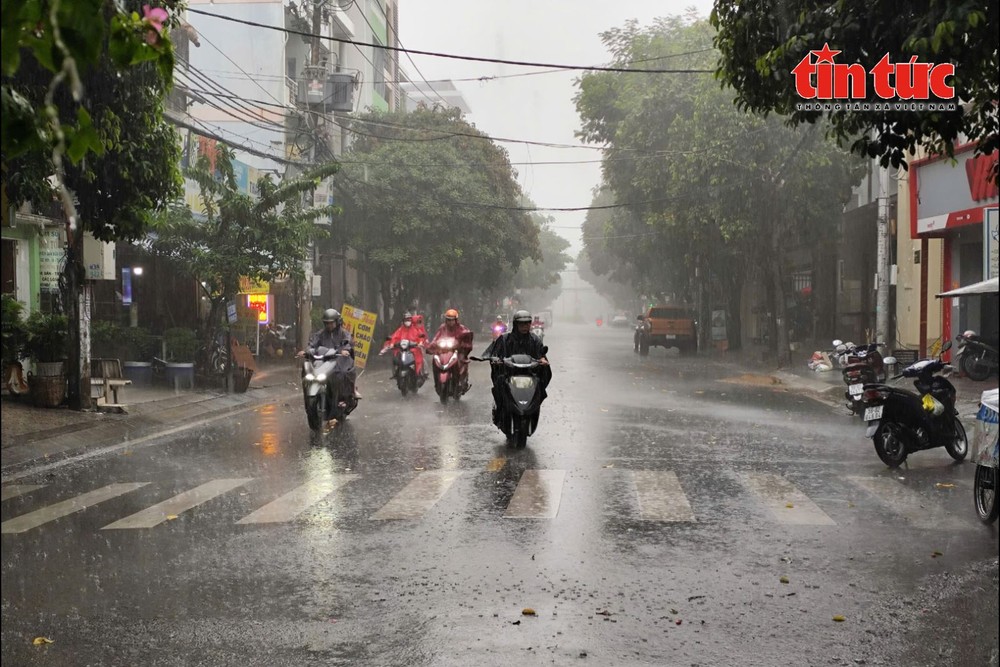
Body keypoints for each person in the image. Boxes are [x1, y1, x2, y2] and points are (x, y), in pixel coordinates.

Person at [483, 310, 551, 428]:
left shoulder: (535, 340)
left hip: (529, 375)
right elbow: (495, 352)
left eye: (527, 323)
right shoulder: (505, 339)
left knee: (541, 382)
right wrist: (497, 359)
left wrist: (542, 360)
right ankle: (500, 411)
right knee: (499, 383)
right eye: (521, 324)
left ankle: (534, 408)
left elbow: (541, 354)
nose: (525, 326)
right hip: (509, 374)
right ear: (516, 324)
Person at [297, 308, 360, 404]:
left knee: (342, 374)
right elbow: (312, 344)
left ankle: (346, 395)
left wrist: (344, 350)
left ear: (337, 322)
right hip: (323, 361)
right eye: (327, 323)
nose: (329, 325)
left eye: (331, 323)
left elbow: (347, 343)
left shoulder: (344, 333)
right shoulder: (320, 334)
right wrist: (306, 351)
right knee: (308, 372)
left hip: (339, 360)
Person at [427, 308, 475, 392]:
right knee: (435, 360)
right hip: (443, 351)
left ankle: (460, 381)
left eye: (452, 320)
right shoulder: (442, 328)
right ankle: (437, 383)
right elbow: (436, 338)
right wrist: (430, 347)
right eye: (448, 320)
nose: (450, 322)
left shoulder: (462, 329)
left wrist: (462, 345)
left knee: (461, 360)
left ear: (456, 320)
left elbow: (467, 339)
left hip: (457, 351)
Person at [380, 311, 427, 380]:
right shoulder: (400, 329)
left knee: (418, 357)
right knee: (395, 357)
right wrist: (392, 344)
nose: (407, 322)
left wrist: (420, 343)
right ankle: (395, 372)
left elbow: (421, 337)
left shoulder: (415, 329)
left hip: (413, 349)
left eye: (409, 320)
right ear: (403, 321)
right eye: (406, 320)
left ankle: (419, 372)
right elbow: (394, 337)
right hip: (402, 349)